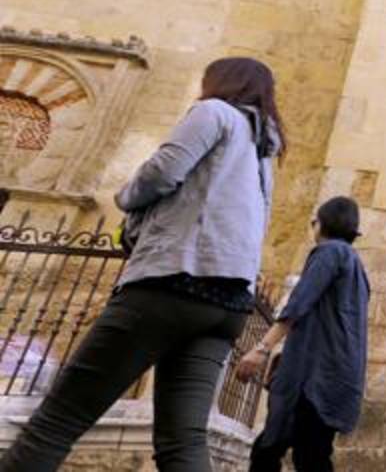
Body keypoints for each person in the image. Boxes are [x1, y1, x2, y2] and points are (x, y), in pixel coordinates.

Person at [0, 57, 284, 472]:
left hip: (172, 282)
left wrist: (126, 197)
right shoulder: (264, 153)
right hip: (228, 304)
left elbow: (163, 172)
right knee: (182, 440)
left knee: (59, 419)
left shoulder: (213, 112)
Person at [239, 196, 370, 472]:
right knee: (298, 453)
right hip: (335, 378)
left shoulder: (329, 252)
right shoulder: (356, 267)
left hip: (315, 380)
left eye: (314, 222)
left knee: (293, 454)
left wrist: (262, 349)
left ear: (323, 224)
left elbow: (298, 304)